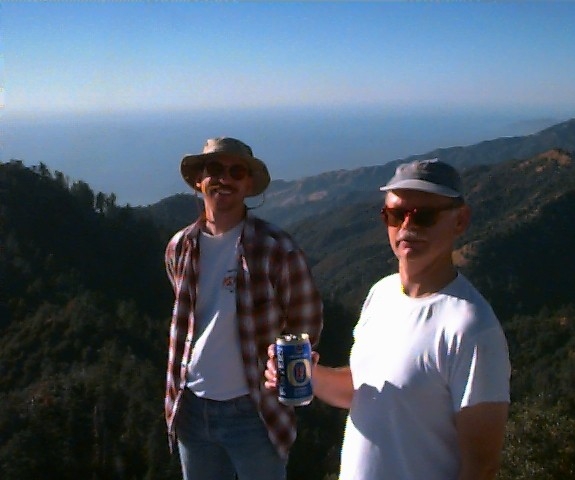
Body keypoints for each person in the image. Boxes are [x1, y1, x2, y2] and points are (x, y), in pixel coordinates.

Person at [265, 158, 511, 480]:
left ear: (460, 221)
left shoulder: (471, 327)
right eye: (395, 214)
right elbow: (362, 388)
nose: (407, 226)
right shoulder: (381, 294)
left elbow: (481, 466)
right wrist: (306, 374)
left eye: (424, 215)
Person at [165, 136, 323, 480]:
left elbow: (307, 318)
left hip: (254, 413)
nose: (225, 179)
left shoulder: (275, 248)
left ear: (248, 184)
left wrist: (288, 377)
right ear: (198, 179)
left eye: (236, 172)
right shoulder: (179, 248)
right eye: (214, 169)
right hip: (191, 407)